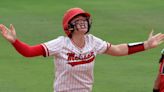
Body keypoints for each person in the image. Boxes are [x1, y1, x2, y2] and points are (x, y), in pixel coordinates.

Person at [0, 7, 164, 92]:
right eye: (78, 20)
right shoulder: (60, 44)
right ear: (69, 26)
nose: (83, 22)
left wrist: (146, 45)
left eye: (84, 19)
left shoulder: (93, 41)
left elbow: (117, 49)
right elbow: (29, 52)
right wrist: (15, 41)